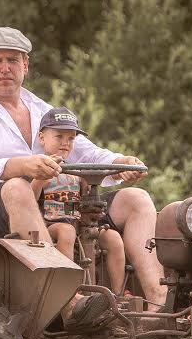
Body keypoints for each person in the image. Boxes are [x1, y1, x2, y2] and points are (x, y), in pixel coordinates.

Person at [0, 26, 165, 312]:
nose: (5, 68)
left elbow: (86, 152)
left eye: (12, 60)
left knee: (136, 199)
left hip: (56, 209)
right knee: (17, 186)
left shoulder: (43, 110)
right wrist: (22, 165)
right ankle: (68, 301)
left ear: (25, 65)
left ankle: (158, 305)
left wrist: (120, 163)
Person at [33, 107, 127, 292]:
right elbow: (29, 199)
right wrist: (40, 179)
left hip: (75, 224)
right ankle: (69, 292)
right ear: (42, 138)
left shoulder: (76, 171)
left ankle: (118, 295)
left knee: (112, 237)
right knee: (66, 231)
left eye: (71, 138)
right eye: (59, 136)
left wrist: (89, 195)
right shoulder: (37, 167)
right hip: (48, 226)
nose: (65, 143)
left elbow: (82, 203)